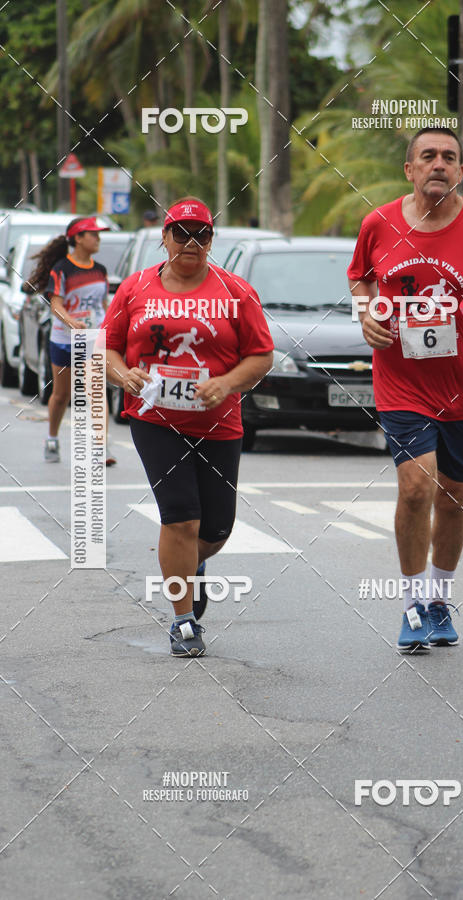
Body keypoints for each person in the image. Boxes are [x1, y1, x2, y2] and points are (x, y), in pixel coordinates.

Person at [347, 127, 463, 653]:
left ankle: (440, 598)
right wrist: (365, 314)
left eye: (449, 157)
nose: (439, 164)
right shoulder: (377, 224)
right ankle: (412, 606)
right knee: (417, 486)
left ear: (460, 170)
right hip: (401, 383)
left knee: (454, 496)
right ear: (410, 169)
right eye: (428, 156)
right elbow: (360, 279)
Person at [102, 197, 274, 657]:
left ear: (212, 240)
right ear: (165, 236)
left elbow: (261, 356)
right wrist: (124, 375)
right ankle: (182, 623)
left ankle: (191, 564)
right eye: (182, 233)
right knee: (180, 517)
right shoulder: (135, 289)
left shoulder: (236, 291)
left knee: (215, 530)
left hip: (219, 423)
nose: (191, 242)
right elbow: (108, 349)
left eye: (202, 234)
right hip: (154, 419)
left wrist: (227, 383)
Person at [29, 216, 116, 465]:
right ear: (77, 238)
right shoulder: (61, 268)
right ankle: (52, 438)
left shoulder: (100, 270)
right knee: (61, 395)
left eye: (99, 235)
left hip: (92, 339)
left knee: (97, 392)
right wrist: (70, 322)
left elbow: (102, 304)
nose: (98, 239)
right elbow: (55, 304)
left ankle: (101, 447)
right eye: (93, 234)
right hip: (64, 340)